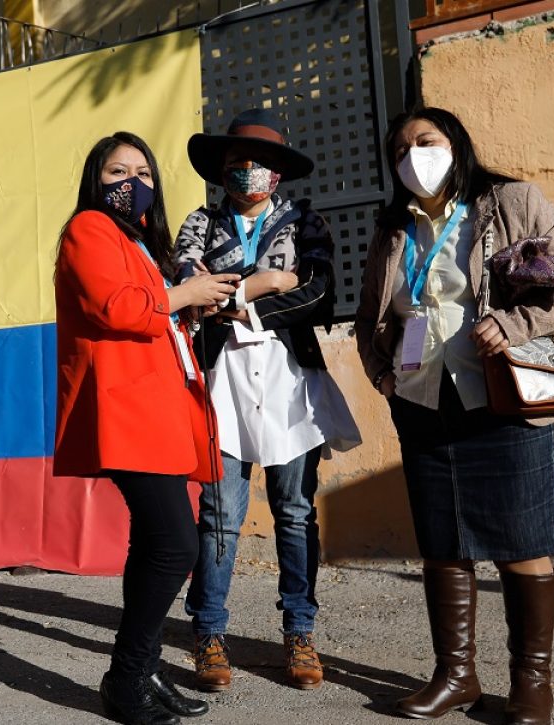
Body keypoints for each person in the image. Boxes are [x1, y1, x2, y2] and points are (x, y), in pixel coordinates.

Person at [354, 108, 554, 724]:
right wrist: (382, 375)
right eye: (402, 148)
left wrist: (514, 322)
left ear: (455, 144)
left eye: (427, 141)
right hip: (421, 402)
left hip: (501, 400)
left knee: (523, 544)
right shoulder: (392, 227)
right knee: (441, 546)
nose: (415, 154)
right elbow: (370, 318)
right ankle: (456, 676)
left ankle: (530, 684)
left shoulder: (510, 201)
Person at [54, 131, 240, 725]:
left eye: (142, 171)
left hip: (152, 406)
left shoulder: (137, 241)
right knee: (175, 545)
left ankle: (146, 668)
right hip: (125, 408)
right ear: (95, 181)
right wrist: (182, 292)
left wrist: (188, 305)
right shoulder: (89, 228)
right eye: (116, 171)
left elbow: (150, 308)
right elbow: (117, 308)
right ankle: (127, 677)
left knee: (155, 543)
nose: (131, 181)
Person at [173, 109, 361, 692]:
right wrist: (261, 283)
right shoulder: (199, 222)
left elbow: (319, 292)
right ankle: (208, 631)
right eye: (235, 162)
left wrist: (237, 299)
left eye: (257, 162)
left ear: (277, 172)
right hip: (222, 377)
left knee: (296, 511)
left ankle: (300, 630)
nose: (246, 170)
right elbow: (184, 285)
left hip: (288, 380)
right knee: (220, 514)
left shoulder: (307, 222)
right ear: (221, 170)